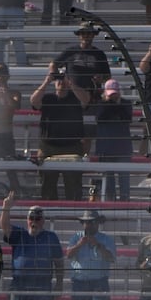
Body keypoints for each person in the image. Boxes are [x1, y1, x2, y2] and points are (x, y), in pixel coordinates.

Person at [0, 193, 62, 300]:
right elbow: (5, 226)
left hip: (42, 285)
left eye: (38, 218)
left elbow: (59, 263)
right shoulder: (19, 234)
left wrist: (60, 284)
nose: (34, 221)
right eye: (31, 217)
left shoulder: (50, 237)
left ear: (43, 220)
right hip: (20, 285)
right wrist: (6, 207)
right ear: (27, 220)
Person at [30, 62, 90, 202]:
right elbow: (34, 101)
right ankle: (49, 212)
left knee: (73, 185)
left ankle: (74, 212)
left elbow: (86, 100)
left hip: (72, 147)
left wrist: (71, 83)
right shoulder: (48, 98)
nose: (61, 83)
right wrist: (47, 81)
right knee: (47, 185)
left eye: (63, 80)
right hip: (49, 147)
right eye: (58, 80)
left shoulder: (75, 98)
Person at [93, 78, 134, 200]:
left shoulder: (125, 104)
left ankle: (125, 205)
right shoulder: (100, 104)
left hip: (123, 149)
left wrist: (113, 105)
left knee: (124, 181)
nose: (113, 97)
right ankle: (110, 205)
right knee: (108, 183)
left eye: (115, 94)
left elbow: (127, 117)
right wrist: (110, 104)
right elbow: (100, 117)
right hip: (106, 149)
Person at [54, 23, 111, 95]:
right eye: (83, 33)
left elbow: (108, 76)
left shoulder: (100, 54)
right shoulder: (70, 51)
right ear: (79, 35)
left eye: (89, 33)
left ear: (93, 35)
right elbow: (53, 64)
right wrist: (59, 80)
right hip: (72, 95)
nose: (86, 36)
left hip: (92, 95)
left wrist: (101, 78)